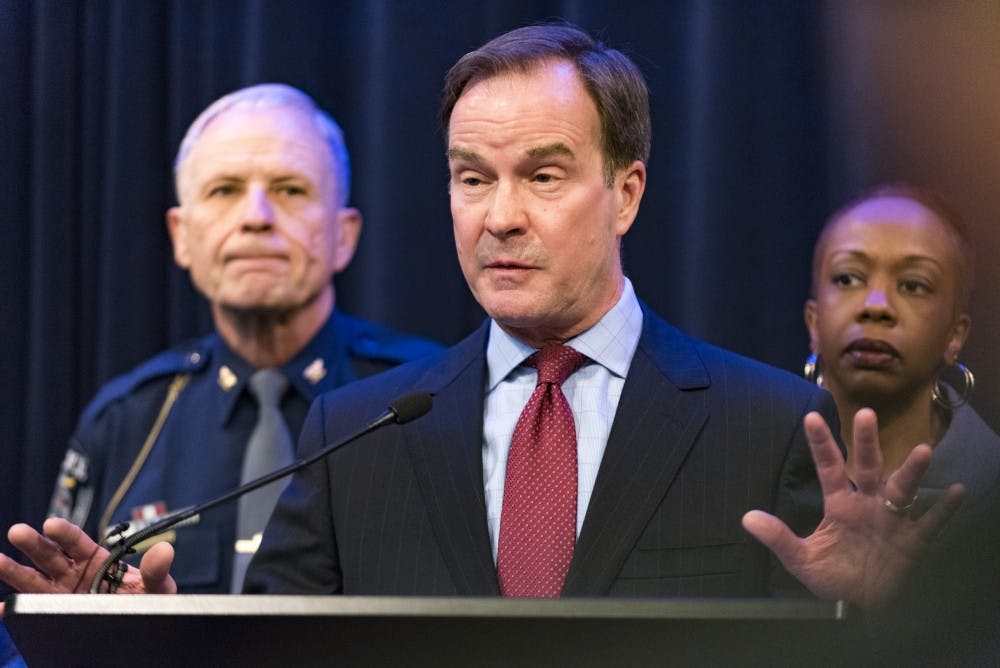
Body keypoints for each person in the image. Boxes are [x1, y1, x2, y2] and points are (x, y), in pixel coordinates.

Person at [0, 25, 959, 610]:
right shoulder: (356, 434)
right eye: (472, 178)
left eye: (542, 175)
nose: (500, 214)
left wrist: (871, 621)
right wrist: (150, 637)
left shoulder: (762, 425)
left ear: (626, 192)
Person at [19, 84, 442, 595]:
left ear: (343, 235)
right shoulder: (126, 423)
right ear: (182, 236)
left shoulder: (429, 398)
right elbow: (54, 630)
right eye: (224, 191)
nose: (257, 216)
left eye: (291, 190)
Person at [803, 184, 1000, 514]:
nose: (876, 305)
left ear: (956, 335)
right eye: (848, 278)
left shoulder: (990, 493)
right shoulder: (749, 469)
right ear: (814, 323)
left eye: (913, 285)